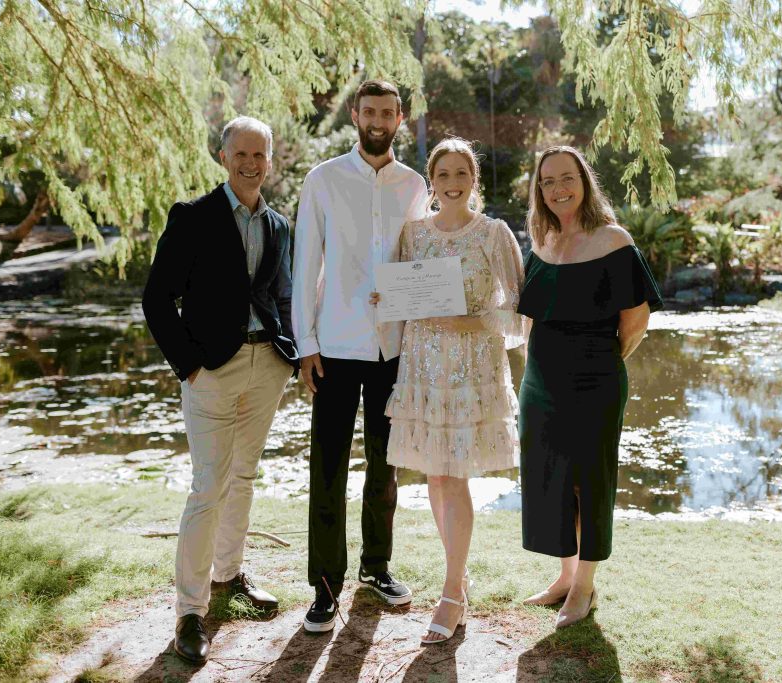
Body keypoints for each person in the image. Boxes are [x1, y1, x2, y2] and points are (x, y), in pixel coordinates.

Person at [142, 116, 299, 664]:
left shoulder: (279, 224)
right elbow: (157, 299)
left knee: (245, 476)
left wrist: (292, 355)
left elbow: (281, 297)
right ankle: (190, 609)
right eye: (242, 154)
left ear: (270, 160)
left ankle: (230, 575)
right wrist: (189, 365)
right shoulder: (192, 218)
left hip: (267, 367)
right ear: (223, 156)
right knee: (209, 484)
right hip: (211, 369)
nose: (252, 164)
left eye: (261, 155)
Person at [376, 137, 527, 644]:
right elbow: (399, 295)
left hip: (469, 370)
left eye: (462, 173)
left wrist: (467, 322)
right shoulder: (413, 235)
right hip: (423, 369)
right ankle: (457, 578)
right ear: (432, 181)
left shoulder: (493, 234)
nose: (453, 183)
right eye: (444, 174)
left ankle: (451, 592)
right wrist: (387, 296)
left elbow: (519, 313)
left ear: (474, 180)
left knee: (454, 476)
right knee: (436, 478)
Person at [292, 80, 429, 633]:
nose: (377, 120)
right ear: (355, 115)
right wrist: (305, 345)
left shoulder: (416, 185)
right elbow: (304, 267)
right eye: (369, 111)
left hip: (392, 347)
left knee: (384, 465)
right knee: (327, 468)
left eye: (387, 112)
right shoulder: (322, 180)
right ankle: (325, 588)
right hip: (335, 347)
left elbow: (420, 262)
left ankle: (376, 568)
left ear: (400, 118)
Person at [516, 146, 663, 629]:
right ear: (539, 191)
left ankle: (584, 588)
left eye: (566, 178)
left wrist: (600, 365)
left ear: (584, 181)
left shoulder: (614, 241)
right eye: (548, 182)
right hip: (540, 382)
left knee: (590, 482)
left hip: (594, 380)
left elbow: (635, 322)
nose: (558, 189)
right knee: (554, 480)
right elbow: (528, 316)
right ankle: (564, 576)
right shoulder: (541, 243)